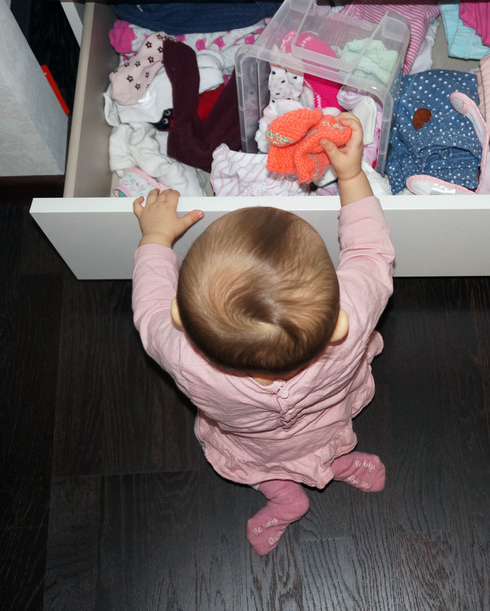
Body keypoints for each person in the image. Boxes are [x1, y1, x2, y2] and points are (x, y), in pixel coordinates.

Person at [131, 113, 395, 555]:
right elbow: (369, 252)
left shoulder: (184, 359)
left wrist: (157, 238)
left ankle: (284, 496)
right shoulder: (351, 323)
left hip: (254, 446)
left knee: (263, 467)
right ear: (338, 325)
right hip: (325, 423)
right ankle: (337, 464)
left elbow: (149, 309)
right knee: (327, 443)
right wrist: (350, 175)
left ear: (181, 316)